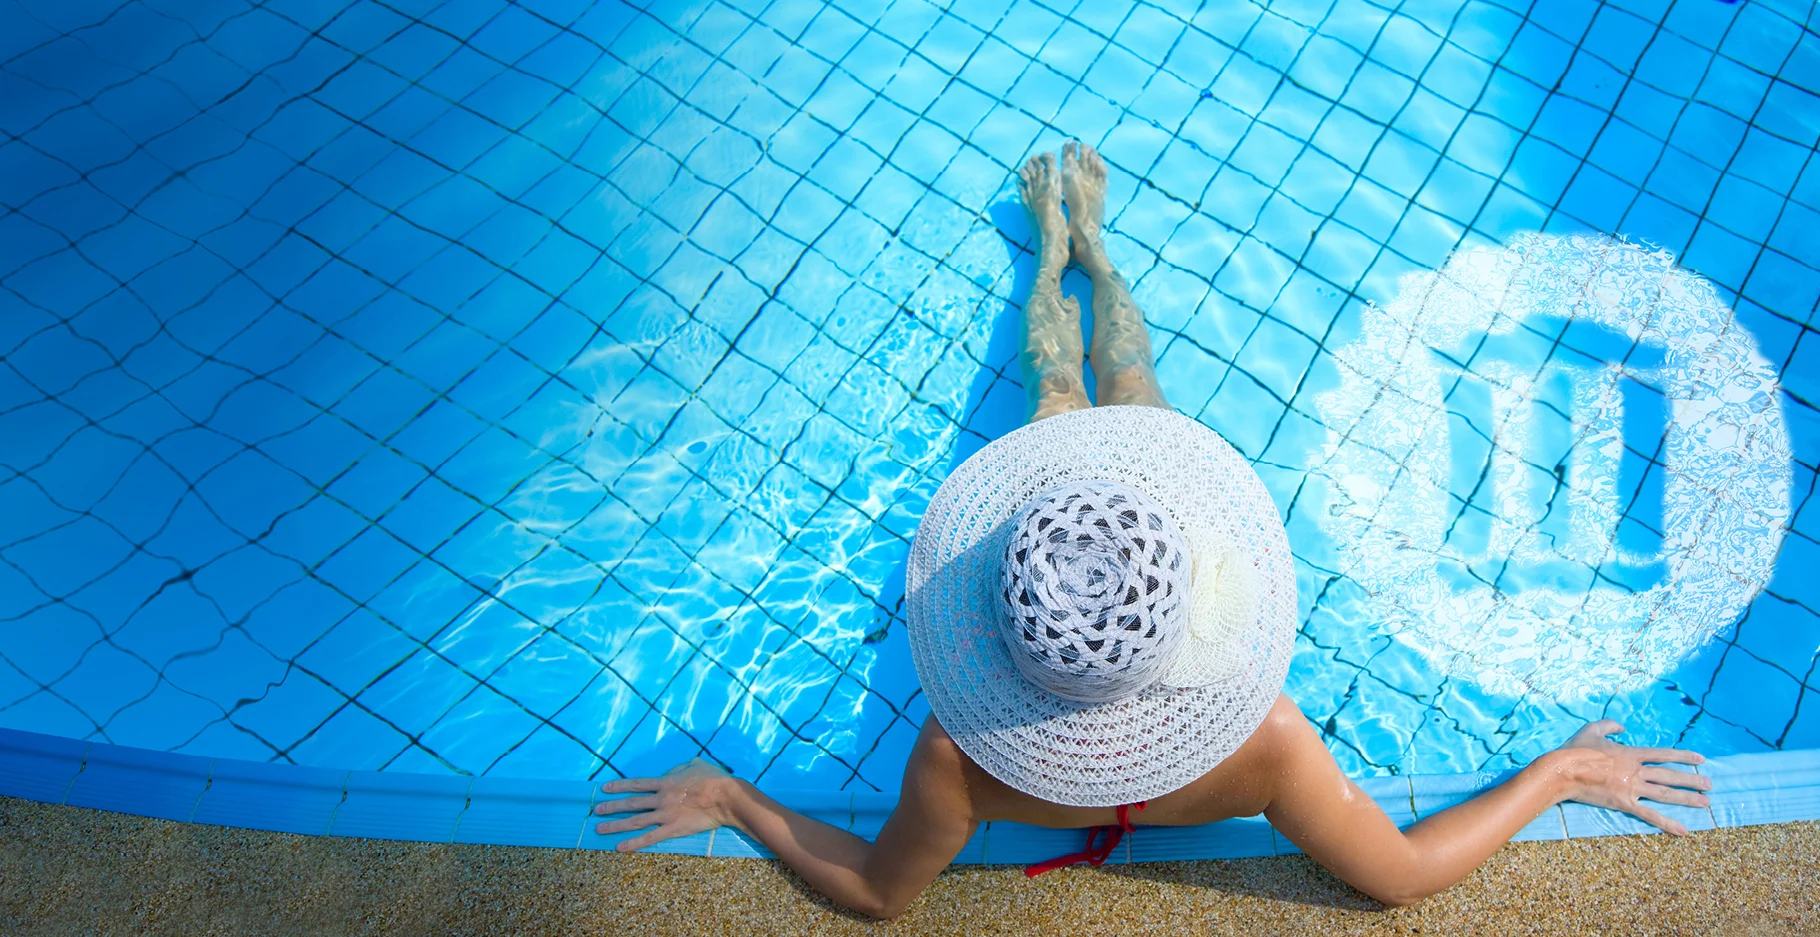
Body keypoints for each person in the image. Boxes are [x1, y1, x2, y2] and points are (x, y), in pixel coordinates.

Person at [590, 142, 1712, 919]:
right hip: (1131, 526)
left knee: (1057, 381)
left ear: (996, 624)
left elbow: (882, 895)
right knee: (1126, 372)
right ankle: (1094, 249)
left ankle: (1049, 251)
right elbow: (1404, 877)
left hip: (1077, 548)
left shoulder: (955, 759)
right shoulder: (1265, 739)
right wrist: (1557, 774)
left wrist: (733, 794)